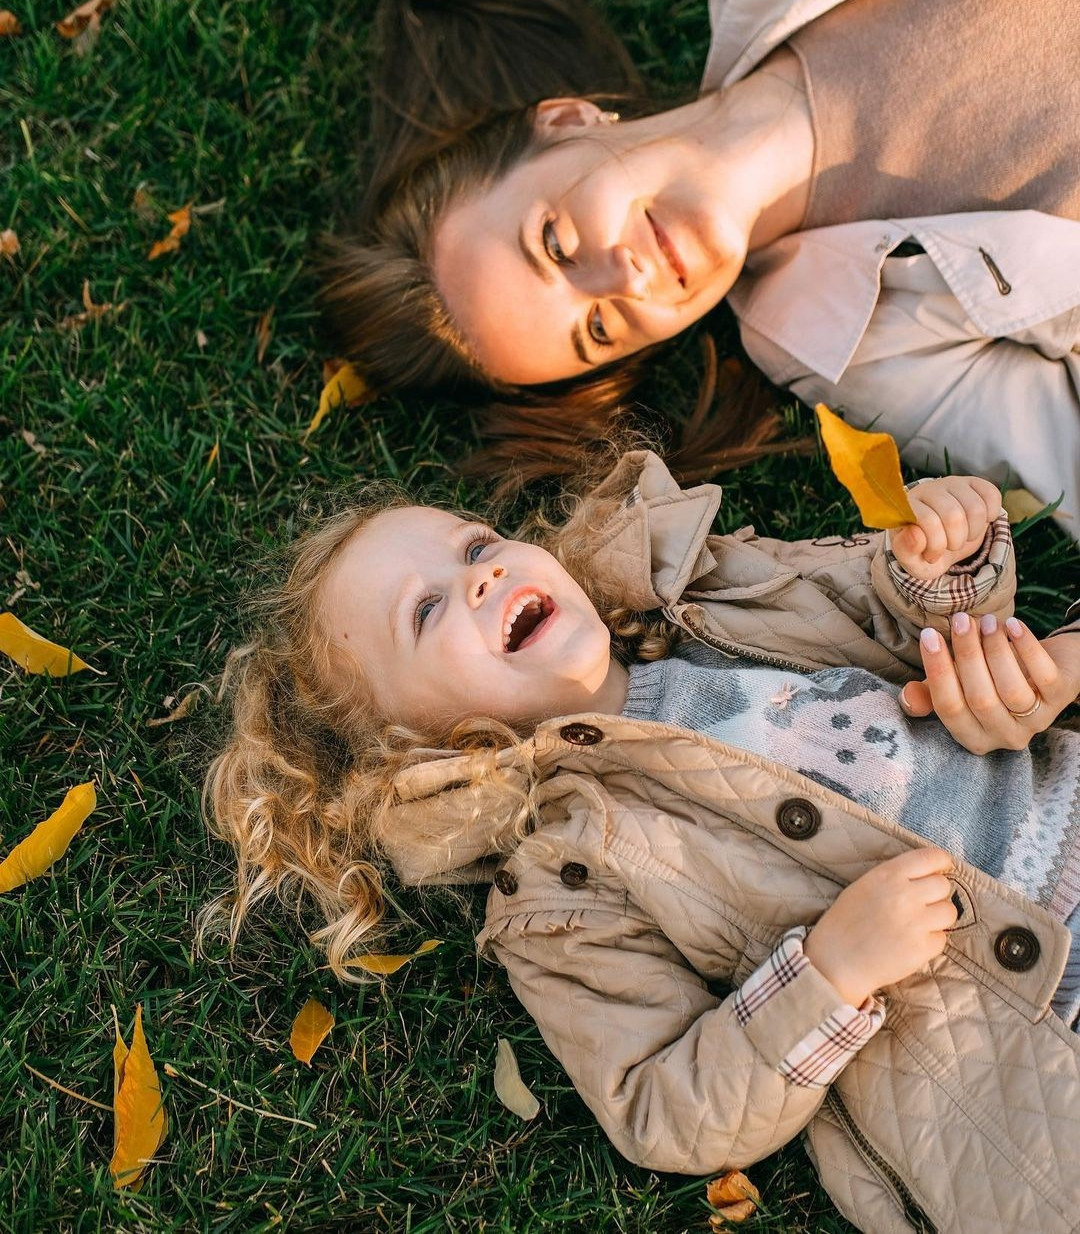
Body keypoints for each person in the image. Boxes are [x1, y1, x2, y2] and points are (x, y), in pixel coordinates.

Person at [204, 450, 1080, 1232]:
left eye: (474, 546)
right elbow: (661, 1104)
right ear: (421, 748)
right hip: (1015, 1046)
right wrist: (829, 975)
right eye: (427, 611)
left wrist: (941, 565)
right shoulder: (564, 882)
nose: (481, 575)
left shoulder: (703, 601)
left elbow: (890, 616)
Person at [321, 0, 1080, 531]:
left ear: (567, 120)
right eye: (597, 329)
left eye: (554, 244)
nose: (622, 275)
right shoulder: (852, 350)